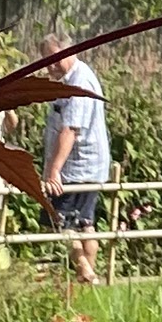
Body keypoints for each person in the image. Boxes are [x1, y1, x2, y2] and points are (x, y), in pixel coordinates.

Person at [44, 44, 111, 231]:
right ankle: (89, 262)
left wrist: (54, 170)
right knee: (84, 225)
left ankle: (84, 263)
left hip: (77, 170)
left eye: (56, 59)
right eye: (47, 61)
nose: (51, 66)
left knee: (62, 226)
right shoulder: (72, 78)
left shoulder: (78, 83)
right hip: (84, 167)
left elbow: (70, 130)